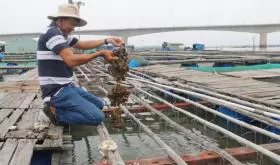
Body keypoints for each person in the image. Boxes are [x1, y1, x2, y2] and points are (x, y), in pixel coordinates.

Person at [37, 4, 124, 125]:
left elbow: (82, 44)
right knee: (97, 117)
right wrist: (100, 53)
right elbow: (71, 60)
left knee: (99, 104)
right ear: (61, 20)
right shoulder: (52, 33)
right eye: (72, 24)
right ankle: (57, 114)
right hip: (56, 91)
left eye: (75, 25)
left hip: (67, 86)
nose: (73, 28)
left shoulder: (61, 34)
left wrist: (107, 40)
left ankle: (63, 107)